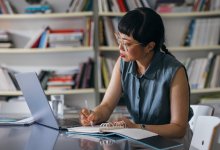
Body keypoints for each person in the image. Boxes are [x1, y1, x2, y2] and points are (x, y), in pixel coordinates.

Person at [80, 7, 193, 149]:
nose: (120, 47)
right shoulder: (123, 63)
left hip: (172, 145)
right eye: (119, 39)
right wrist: (94, 115)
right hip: (141, 141)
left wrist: (136, 127)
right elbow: (107, 106)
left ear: (149, 46)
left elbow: (178, 128)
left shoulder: (175, 71)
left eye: (127, 44)